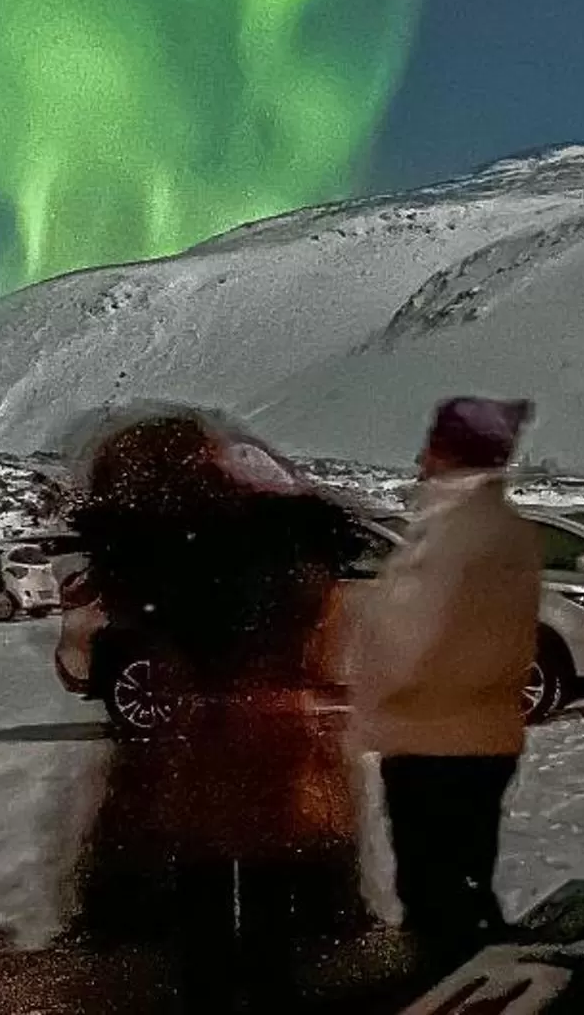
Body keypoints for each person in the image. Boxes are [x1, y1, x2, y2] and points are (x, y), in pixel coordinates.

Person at [63, 410, 369, 1013]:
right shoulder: (286, 543)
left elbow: (128, 645)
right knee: (269, 907)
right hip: (271, 743)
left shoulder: (157, 557)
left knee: (201, 909)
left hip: (200, 750)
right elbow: (315, 637)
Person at [346, 396, 542, 986]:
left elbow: (411, 635)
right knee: (466, 880)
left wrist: (369, 698)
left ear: (446, 451)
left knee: (435, 898)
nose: (418, 456)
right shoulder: (500, 524)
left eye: (431, 443)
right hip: (479, 732)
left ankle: (451, 992)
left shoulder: (452, 530)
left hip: (433, 735)